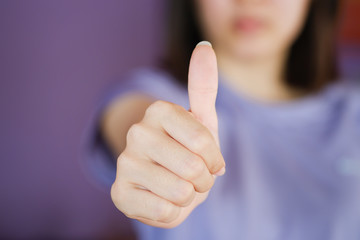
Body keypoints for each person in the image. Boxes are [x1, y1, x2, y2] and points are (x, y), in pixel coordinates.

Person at [84, 0, 360, 239]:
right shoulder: (152, 97)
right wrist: (155, 156)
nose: (249, 2)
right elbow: (134, 123)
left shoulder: (353, 112)